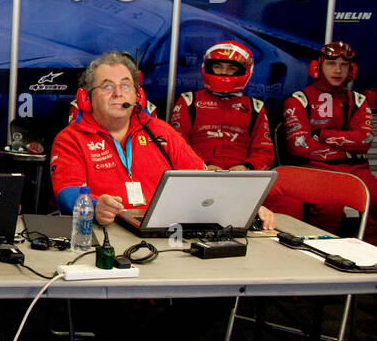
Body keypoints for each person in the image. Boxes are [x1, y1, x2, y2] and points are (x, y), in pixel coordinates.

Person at [51, 51, 273, 229]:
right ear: (86, 97)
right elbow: (66, 193)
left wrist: (246, 206)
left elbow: (204, 180)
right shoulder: (70, 139)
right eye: (107, 86)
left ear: (138, 95)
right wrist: (94, 206)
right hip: (106, 233)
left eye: (126, 85)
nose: (118, 93)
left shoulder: (160, 132)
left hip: (166, 235)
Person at [281, 41, 377, 237]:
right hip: (317, 169)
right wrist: (347, 146)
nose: (337, 70)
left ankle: (370, 258)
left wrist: (323, 135)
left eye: (344, 65)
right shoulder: (299, 99)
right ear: (317, 67)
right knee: (329, 210)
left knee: (375, 200)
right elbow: (298, 146)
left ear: (352, 70)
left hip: (356, 168)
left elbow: (364, 141)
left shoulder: (358, 101)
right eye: (331, 64)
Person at [169, 40, 274, 171]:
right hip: (199, 172)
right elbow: (177, 143)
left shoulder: (255, 107)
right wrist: (202, 166)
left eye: (231, 68)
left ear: (244, 71)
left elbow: (265, 150)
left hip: (242, 176)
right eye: (218, 67)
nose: (223, 72)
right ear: (207, 67)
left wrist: (247, 167)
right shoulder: (189, 101)